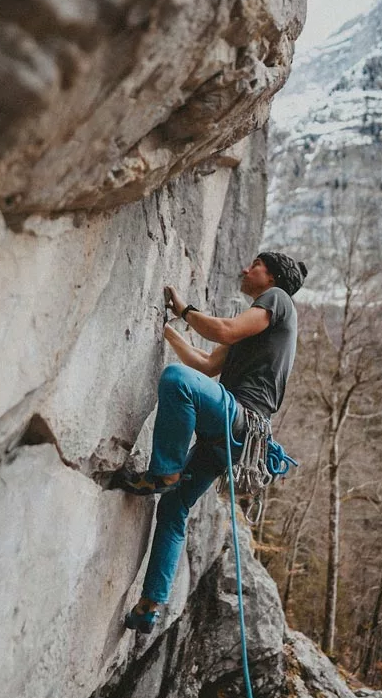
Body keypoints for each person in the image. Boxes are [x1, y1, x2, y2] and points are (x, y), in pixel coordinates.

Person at [117, 252, 307, 633]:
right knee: (174, 509)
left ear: (271, 277)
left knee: (176, 381)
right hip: (234, 437)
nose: (244, 269)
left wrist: (185, 311)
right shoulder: (256, 330)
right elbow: (206, 364)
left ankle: (164, 472)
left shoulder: (277, 300)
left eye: (254, 265)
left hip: (239, 419)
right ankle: (148, 607)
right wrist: (166, 330)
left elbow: (221, 331)